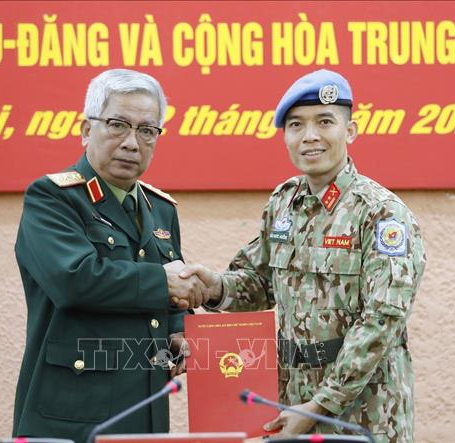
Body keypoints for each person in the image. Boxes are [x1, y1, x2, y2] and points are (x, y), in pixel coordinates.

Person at [181, 69, 426, 442]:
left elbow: (382, 319)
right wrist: (215, 287)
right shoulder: (284, 202)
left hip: (363, 410)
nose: (309, 136)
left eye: (324, 122)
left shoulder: (381, 213)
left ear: (350, 131)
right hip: (289, 400)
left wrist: (319, 406)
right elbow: (259, 282)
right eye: (296, 125)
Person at [12, 69, 206, 443]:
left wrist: (180, 330)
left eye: (147, 130)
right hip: (71, 416)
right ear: (87, 130)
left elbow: (169, 298)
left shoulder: (161, 209)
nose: (132, 143)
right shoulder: (52, 198)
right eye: (118, 125)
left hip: (145, 410)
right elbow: (74, 280)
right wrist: (164, 284)